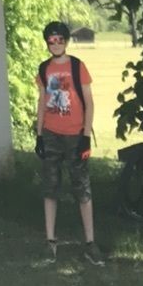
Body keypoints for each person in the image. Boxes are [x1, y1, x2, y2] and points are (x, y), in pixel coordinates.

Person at [35, 20, 105, 266]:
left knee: (82, 188)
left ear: (66, 41)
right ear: (47, 43)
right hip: (51, 133)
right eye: (51, 40)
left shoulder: (77, 67)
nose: (56, 44)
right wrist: (39, 134)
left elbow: (89, 102)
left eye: (60, 40)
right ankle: (50, 241)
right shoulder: (44, 69)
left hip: (75, 134)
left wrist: (85, 136)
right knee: (50, 187)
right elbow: (42, 102)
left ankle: (90, 243)